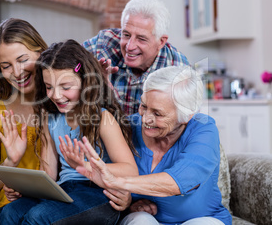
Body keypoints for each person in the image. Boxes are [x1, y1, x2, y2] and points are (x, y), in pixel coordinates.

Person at [0, 39, 138, 224]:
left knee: (39, 216)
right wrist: (23, 187)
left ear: (85, 82)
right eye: (49, 87)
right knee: (9, 212)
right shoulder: (51, 118)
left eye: (66, 87)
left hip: (98, 193)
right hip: (63, 189)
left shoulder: (103, 118)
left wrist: (86, 166)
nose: (56, 95)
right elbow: (48, 172)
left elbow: (130, 171)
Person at [76, 65, 232, 225]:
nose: (145, 119)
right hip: (146, 220)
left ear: (186, 116)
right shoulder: (128, 127)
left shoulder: (203, 128)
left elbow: (180, 181)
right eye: (143, 106)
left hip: (202, 219)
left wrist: (118, 182)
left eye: (157, 114)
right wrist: (128, 202)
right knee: (141, 221)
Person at [0, 18, 48, 218]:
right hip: (7, 210)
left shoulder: (61, 103)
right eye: (6, 66)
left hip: (50, 208)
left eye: (23, 60)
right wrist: (9, 167)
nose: (17, 72)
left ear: (41, 53)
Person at [83, 0, 189, 115]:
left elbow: (188, 124)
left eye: (141, 39)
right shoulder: (103, 44)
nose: (130, 46)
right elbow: (68, 67)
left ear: (161, 42)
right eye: (126, 35)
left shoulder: (178, 68)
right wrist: (88, 75)